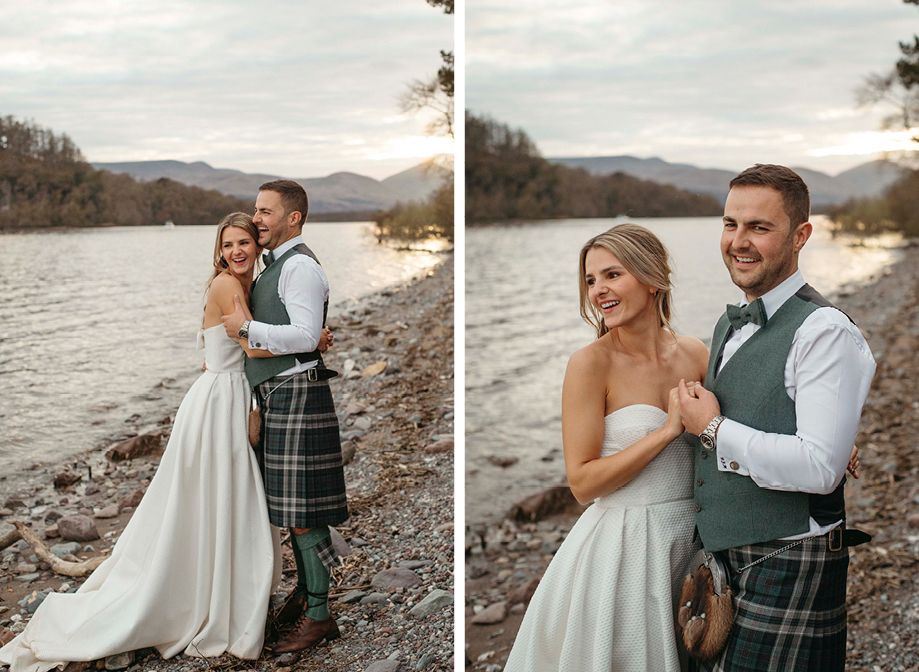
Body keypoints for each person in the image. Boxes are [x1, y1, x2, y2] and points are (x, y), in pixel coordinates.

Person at [0, 213, 286, 671]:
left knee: (227, 496)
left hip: (228, 397)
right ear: (219, 248)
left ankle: (223, 587)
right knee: (218, 497)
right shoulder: (226, 287)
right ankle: (205, 595)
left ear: (256, 245)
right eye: (228, 243)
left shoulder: (244, 285)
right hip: (219, 402)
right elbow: (252, 347)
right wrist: (309, 343)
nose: (236, 251)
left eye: (244, 243)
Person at [678, 164, 876, 671]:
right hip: (728, 557)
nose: (738, 242)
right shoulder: (729, 321)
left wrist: (714, 429)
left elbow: (818, 468)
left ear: (801, 235)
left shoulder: (824, 331)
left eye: (759, 228)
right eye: (730, 224)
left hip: (793, 560)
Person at [505, 223, 710, 671]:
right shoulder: (589, 364)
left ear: (653, 277)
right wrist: (665, 432)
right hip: (624, 552)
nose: (598, 290)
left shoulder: (696, 354)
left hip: (692, 544)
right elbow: (581, 483)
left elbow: (729, 432)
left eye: (612, 275)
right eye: (591, 280)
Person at [221, 179, 349, 654]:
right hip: (279, 395)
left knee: (302, 513)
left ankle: (319, 617)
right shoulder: (271, 266)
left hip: (298, 394)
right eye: (256, 210)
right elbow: (309, 333)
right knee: (289, 508)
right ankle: (306, 592)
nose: (256, 219)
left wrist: (247, 327)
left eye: (265, 211)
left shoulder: (299, 268)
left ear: (293, 217)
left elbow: (302, 334)